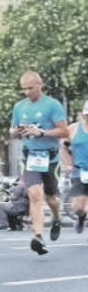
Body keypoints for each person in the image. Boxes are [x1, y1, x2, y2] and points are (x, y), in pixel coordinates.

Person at [9, 71, 68, 255]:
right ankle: (39, 237)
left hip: (50, 158)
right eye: (24, 89)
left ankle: (56, 218)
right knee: (34, 194)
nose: (27, 92)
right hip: (30, 157)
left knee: (51, 199)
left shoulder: (52, 105)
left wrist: (41, 133)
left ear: (40, 86)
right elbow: (12, 129)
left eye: (30, 88)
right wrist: (15, 132)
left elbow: (64, 132)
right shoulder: (19, 107)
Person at [61, 100, 88, 234]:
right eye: (87, 115)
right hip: (79, 171)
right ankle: (81, 217)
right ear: (83, 115)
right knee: (78, 208)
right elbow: (63, 147)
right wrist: (67, 164)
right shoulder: (73, 128)